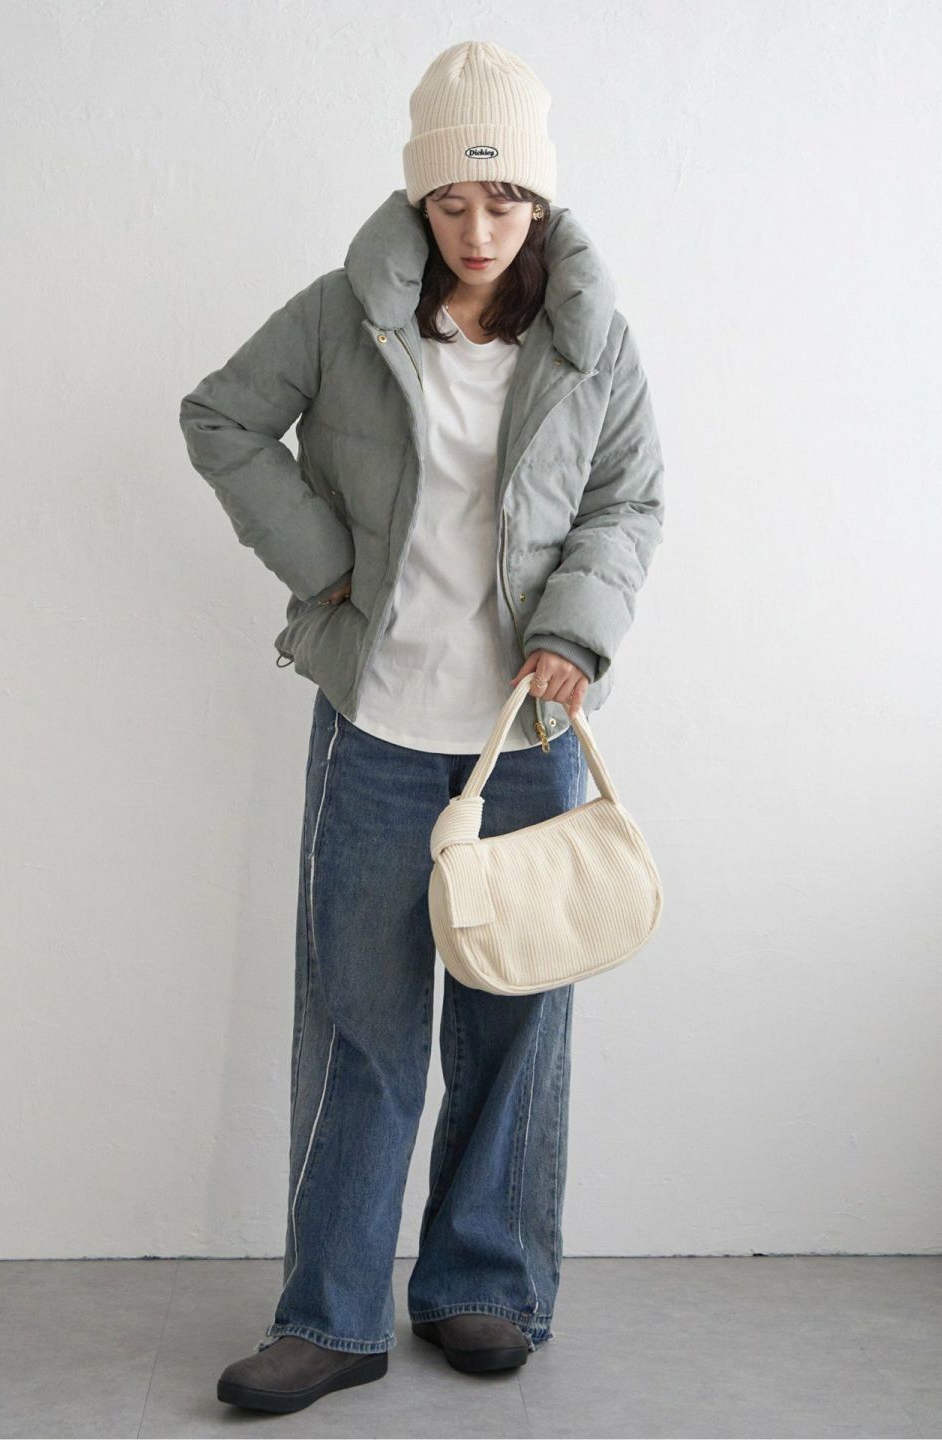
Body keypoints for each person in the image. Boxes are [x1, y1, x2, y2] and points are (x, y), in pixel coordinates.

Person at [179, 39, 665, 1415]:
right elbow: (220, 418)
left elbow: (629, 500)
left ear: (540, 202)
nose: (478, 229)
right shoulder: (346, 313)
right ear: (420, 197)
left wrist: (573, 628)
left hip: (526, 740)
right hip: (377, 730)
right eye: (453, 201)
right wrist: (323, 562)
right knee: (363, 1029)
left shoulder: (592, 337)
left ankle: (481, 1287)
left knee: (515, 1028)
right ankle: (331, 1318)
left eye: (504, 201)